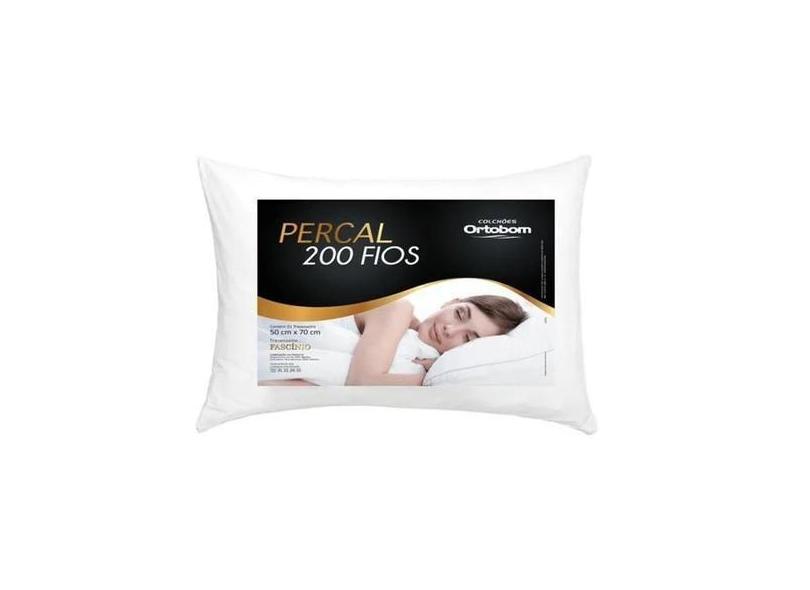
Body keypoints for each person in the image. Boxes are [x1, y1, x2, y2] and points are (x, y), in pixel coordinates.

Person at [264, 295, 528, 387]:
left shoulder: (411, 349)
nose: (450, 329)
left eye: (467, 338)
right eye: (460, 313)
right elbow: (362, 382)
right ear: (452, 301)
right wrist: (427, 378)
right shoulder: (398, 308)